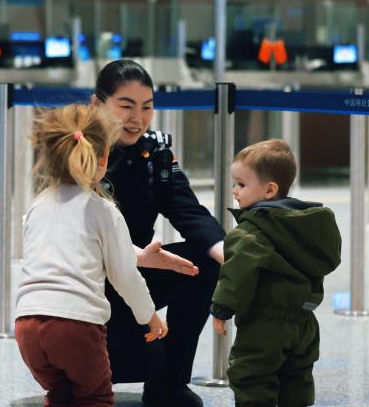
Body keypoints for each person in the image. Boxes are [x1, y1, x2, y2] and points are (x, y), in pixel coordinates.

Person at [91, 60, 225, 407]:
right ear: (97, 104)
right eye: (126, 106)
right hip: (87, 283)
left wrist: (224, 250)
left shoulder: (154, 154)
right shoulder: (75, 152)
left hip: (134, 276)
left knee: (202, 264)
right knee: (136, 361)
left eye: (147, 107)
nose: (137, 118)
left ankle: (169, 384)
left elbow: (185, 207)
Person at [15, 104, 168, 407]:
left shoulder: (37, 206)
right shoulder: (103, 210)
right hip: (76, 325)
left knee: (60, 394)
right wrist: (149, 316)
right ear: (103, 159)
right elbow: (125, 276)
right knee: (94, 397)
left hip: (27, 325)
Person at [210, 140, 341, 407]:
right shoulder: (308, 227)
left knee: (252, 377)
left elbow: (237, 274)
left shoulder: (251, 231)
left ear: (270, 190)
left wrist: (221, 309)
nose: (234, 191)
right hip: (305, 322)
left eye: (241, 184)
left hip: (264, 322)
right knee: (297, 377)